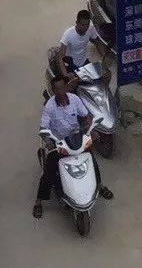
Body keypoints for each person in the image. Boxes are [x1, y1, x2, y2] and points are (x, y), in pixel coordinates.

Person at [34, 75, 110, 219]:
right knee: (49, 172)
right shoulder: (50, 106)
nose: (59, 91)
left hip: (77, 139)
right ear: (53, 90)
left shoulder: (74, 99)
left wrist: (92, 130)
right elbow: (43, 127)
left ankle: (99, 186)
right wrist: (48, 140)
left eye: (62, 87)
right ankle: (38, 201)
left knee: (91, 162)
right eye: (56, 89)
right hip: (59, 142)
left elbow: (86, 116)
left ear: (66, 87)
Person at [57, 7, 106, 75]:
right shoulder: (68, 34)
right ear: (77, 23)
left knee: (102, 75)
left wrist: (105, 57)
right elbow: (60, 57)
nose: (85, 27)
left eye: (87, 24)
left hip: (84, 61)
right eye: (83, 25)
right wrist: (66, 75)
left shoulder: (91, 29)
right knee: (74, 82)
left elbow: (97, 43)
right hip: (70, 62)